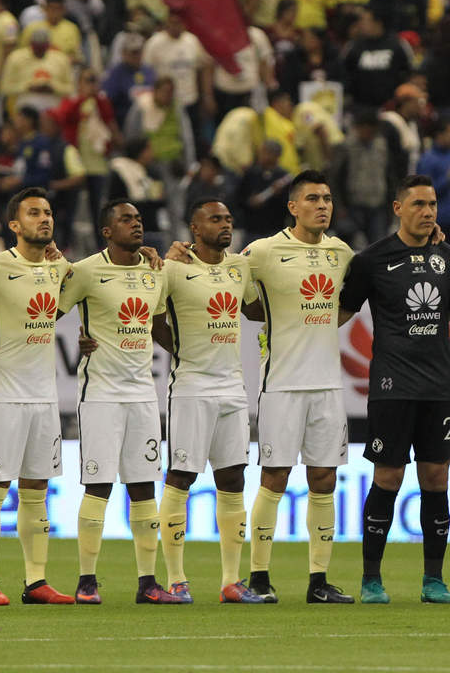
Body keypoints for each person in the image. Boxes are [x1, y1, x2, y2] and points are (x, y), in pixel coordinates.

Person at [338, 174, 450, 604]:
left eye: (433, 204)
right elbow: (340, 313)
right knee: (388, 476)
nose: (428, 212)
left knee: (437, 477)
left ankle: (433, 580)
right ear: (398, 208)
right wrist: (293, 326)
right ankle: (371, 579)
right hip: (390, 385)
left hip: (439, 386)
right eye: (418, 204)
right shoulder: (371, 260)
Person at [57, 200, 182, 605]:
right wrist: (78, 338)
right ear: (107, 232)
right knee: (99, 484)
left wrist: (188, 354)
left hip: (143, 394)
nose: (136, 224)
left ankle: (148, 583)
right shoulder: (87, 272)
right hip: (101, 395)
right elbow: (45, 314)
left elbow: (158, 323)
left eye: (139, 219)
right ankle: (86, 581)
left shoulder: (153, 272)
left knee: (144, 486)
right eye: (126, 220)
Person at [239, 172, 356, 603]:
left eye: (327, 198)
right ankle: (258, 577)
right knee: (274, 476)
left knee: (324, 478)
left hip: (327, 384)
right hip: (282, 384)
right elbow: (232, 287)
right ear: (293, 206)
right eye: (312, 198)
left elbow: (352, 299)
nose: (322, 205)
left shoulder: (341, 252)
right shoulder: (264, 252)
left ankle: (318, 581)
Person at [0, 188, 75, 605]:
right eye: (33, 213)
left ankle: (36, 582)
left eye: (48, 211)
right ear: (13, 225)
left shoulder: (60, 267)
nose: (44, 218)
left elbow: (89, 291)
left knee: (36, 490)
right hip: (3, 396)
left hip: (45, 398)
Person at [153, 199, 261, 604]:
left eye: (229, 218)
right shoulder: (173, 269)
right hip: (192, 387)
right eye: (216, 219)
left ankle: (231, 581)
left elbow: (252, 309)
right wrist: (181, 352)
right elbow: (152, 319)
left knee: (233, 479)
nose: (225, 224)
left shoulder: (240, 267)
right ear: (195, 228)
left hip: (233, 386)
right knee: (181, 476)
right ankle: (177, 579)